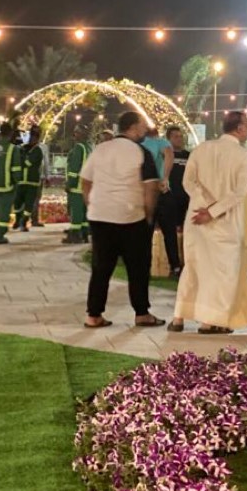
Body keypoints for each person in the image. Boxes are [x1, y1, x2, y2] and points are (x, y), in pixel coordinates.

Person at [169, 111, 247, 334]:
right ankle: (209, 322)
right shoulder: (244, 156)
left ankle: (178, 317)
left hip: (196, 217)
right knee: (222, 273)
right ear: (239, 128)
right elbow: (239, 193)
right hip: (224, 220)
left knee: (194, 267)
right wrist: (213, 211)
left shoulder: (201, 149)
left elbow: (188, 182)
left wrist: (203, 205)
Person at [80, 111, 165, 329]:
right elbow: (150, 187)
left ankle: (94, 315)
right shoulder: (141, 152)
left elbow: (85, 181)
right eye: (143, 125)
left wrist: (92, 204)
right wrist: (149, 214)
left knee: (101, 267)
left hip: (100, 216)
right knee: (137, 267)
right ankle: (141, 313)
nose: (145, 129)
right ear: (133, 127)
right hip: (130, 217)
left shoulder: (100, 149)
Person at [156, 126, 191, 278]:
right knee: (170, 234)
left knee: (188, 233)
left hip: (186, 199)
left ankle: (189, 264)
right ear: (168, 139)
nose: (179, 139)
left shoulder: (189, 156)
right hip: (168, 200)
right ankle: (174, 266)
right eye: (175, 136)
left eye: (180, 136)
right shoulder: (163, 156)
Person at [63, 126, 91, 245]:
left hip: (77, 186)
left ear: (82, 134)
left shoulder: (78, 148)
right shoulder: (88, 148)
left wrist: (70, 183)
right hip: (86, 186)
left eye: (77, 133)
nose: (74, 135)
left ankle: (75, 235)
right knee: (83, 213)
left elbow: (74, 168)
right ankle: (84, 234)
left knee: (76, 212)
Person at [12, 128, 44, 232]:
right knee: (17, 202)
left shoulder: (38, 151)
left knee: (29, 204)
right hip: (21, 181)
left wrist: (21, 156)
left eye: (34, 138)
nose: (31, 139)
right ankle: (17, 220)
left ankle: (24, 222)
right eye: (31, 137)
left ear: (37, 139)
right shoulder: (24, 148)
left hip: (32, 182)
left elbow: (28, 163)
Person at [31, 135, 51, 227]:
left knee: (34, 199)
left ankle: (32, 219)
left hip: (38, 177)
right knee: (33, 199)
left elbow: (46, 162)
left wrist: (47, 177)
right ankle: (31, 220)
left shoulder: (43, 147)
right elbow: (46, 162)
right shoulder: (26, 147)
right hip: (31, 177)